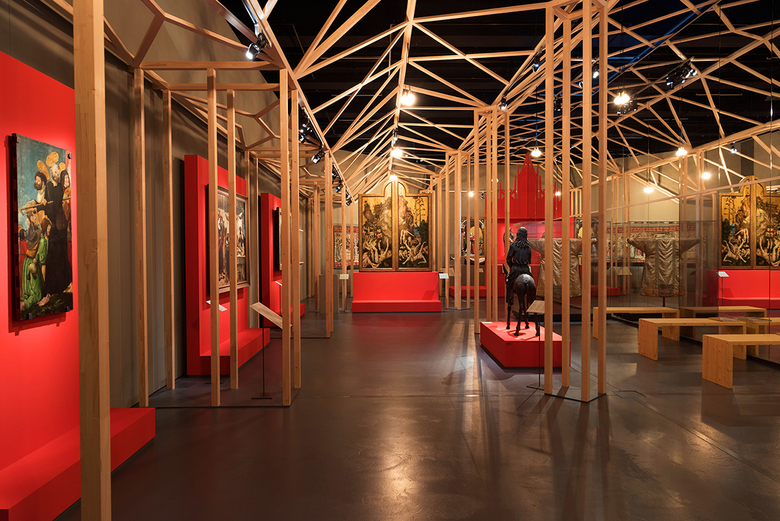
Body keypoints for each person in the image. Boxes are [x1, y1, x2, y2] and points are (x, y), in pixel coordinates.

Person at [42, 151, 72, 295]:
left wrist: (47, 205)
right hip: (54, 226)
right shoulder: (48, 186)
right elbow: (48, 205)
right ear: (50, 173)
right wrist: (44, 204)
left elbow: (56, 205)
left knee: (61, 255)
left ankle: (62, 285)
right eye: (54, 172)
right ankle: (51, 289)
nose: (56, 174)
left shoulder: (59, 187)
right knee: (52, 257)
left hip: (59, 226)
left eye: (57, 172)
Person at [505, 226, 532, 306]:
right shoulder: (528, 246)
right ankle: (531, 300)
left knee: (509, 284)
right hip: (525, 269)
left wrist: (512, 266)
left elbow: (508, 259)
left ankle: (510, 301)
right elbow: (529, 260)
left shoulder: (513, 245)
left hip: (516, 269)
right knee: (531, 283)